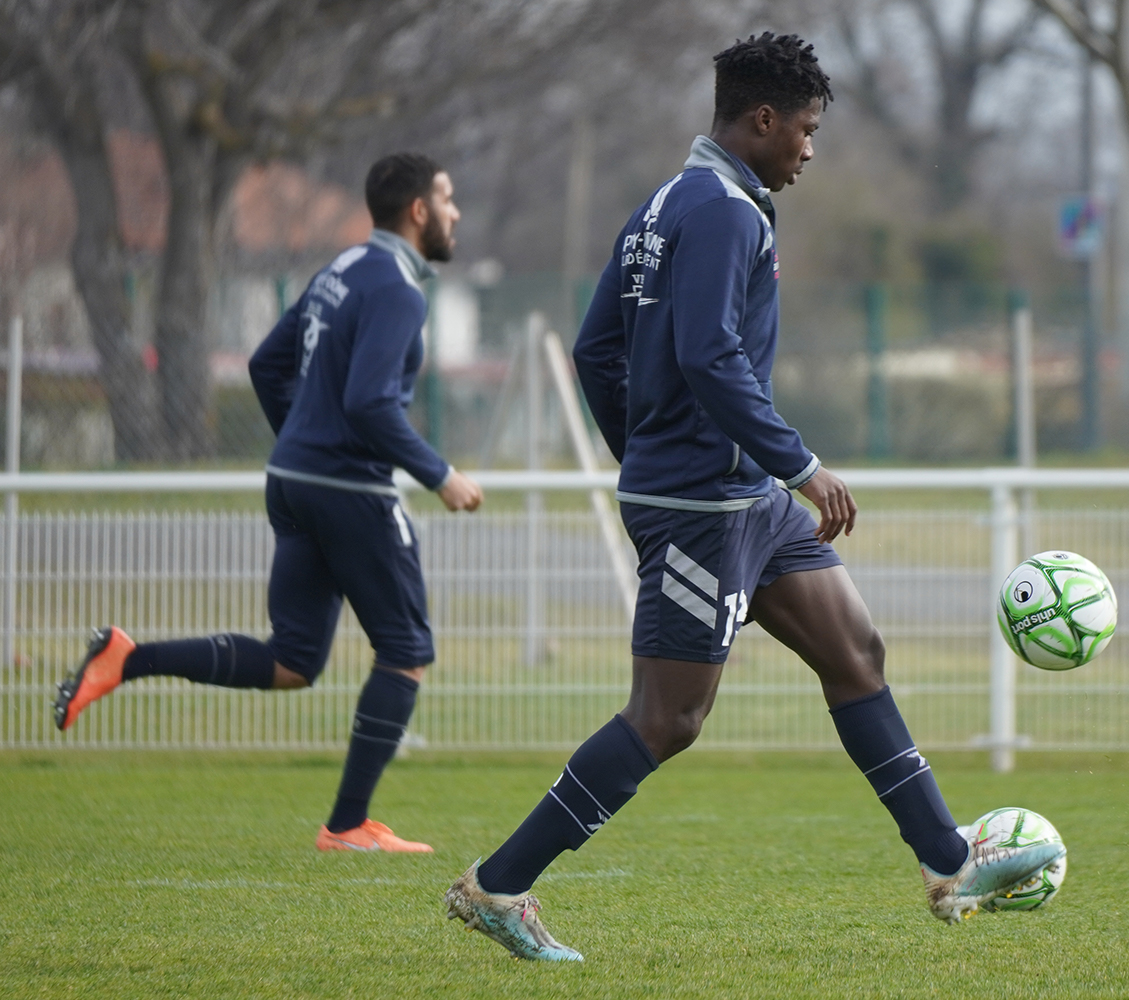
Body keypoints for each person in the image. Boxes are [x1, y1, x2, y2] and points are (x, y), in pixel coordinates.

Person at [442, 35, 1062, 962]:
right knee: (668, 718)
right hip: (705, 504)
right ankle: (498, 885)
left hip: (734, 497)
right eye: (805, 130)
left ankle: (947, 859)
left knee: (855, 650)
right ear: (762, 120)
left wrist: (649, 451)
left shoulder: (665, 202)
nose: (811, 149)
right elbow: (706, 354)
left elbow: (593, 351)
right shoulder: (728, 211)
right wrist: (794, 465)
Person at [53, 152, 485, 853]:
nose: (455, 212)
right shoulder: (398, 290)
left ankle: (126, 659)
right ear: (417, 210)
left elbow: (265, 364)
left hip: (293, 480)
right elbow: (371, 403)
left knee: (293, 661)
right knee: (406, 651)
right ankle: (347, 826)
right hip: (349, 489)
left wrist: (306, 446)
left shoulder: (339, 272)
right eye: (448, 198)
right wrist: (441, 475)